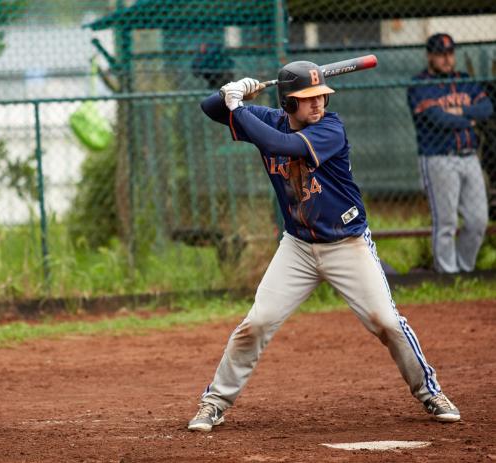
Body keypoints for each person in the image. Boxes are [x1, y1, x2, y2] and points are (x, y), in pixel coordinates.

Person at [187, 61, 461, 432]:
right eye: (307, 98)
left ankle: (430, 392)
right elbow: (208, 109)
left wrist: (235, 106)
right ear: (287, 104)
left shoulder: (330, 129)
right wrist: (229, 92)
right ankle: (213, 402)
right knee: (257, 322)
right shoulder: (269, 118)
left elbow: (277, 144)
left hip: (346, 244)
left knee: (386, 322)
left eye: (321, 97)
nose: (318, 104)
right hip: (298, 247)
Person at [407, 33, 493, 273]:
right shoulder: (419, 84)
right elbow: (435, 118)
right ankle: (447, 273)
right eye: (440, 54)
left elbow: (486, 109)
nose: (446, 59)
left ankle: (464, 270)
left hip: (469, 157)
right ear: (430, 56)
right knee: (446, 222)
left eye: (450, 54)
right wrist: (469, 118)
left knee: (478, 221)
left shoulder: (465, 80)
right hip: (438, 158)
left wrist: (459, 111)